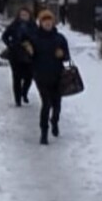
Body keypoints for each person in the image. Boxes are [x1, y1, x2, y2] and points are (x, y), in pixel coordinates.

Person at [22, 9, 69, 145]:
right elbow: (27, 57)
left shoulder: (60, 38)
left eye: (50, 21)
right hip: (41, 76)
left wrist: (62, 54)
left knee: (57, 105)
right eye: (44, 21)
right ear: (40, 23)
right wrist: (28, 51)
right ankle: (44, 133)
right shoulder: (35, 38)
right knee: (46, 104)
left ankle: (54, 121)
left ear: (53, 23)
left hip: (57, 76)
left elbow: (67, 56)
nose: (47, 24)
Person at [2, 5, 36, 106]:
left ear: (30, 16)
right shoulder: (14, 25)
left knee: (29, 78)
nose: (24, 17)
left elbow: (38, 39)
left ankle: (24, 92)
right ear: (19, 16)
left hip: (29, 56)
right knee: (16, 78)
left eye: (26, 15)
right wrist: (11, 45)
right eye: (22, 15)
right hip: (15, 55)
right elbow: (5, 36)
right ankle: (18, 100)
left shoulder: (33, 26)